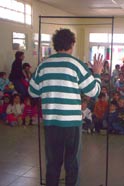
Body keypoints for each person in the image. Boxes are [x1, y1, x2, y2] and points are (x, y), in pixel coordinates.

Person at [28, 28, 103, 186]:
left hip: (51, 123)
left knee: (53, 163)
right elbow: (94, 90)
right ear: (72, 44)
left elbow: (32, 91)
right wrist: (97, 73)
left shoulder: (43, 65)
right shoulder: (75, 64)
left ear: (55, 45)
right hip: (71, 124)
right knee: (72, 163)